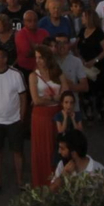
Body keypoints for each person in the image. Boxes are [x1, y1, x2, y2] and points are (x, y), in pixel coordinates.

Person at [0, 46, 26, 192]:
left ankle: (20, 181)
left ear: (5, 59)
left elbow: (23, 96)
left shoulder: (16, 75)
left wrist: (21, 116)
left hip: (14, 120)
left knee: (17, 151)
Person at [28, 47, 66, 187]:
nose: (38, 61)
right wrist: (54, 98)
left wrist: (51, 99)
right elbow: (36, 100)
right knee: (42, 149)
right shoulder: (33, 76)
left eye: (41, 57)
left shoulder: (57, 73)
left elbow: (66, 94)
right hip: (41, 116)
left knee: (58, 146)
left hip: (57, 114)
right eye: (36, 58)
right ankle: (42, 181)